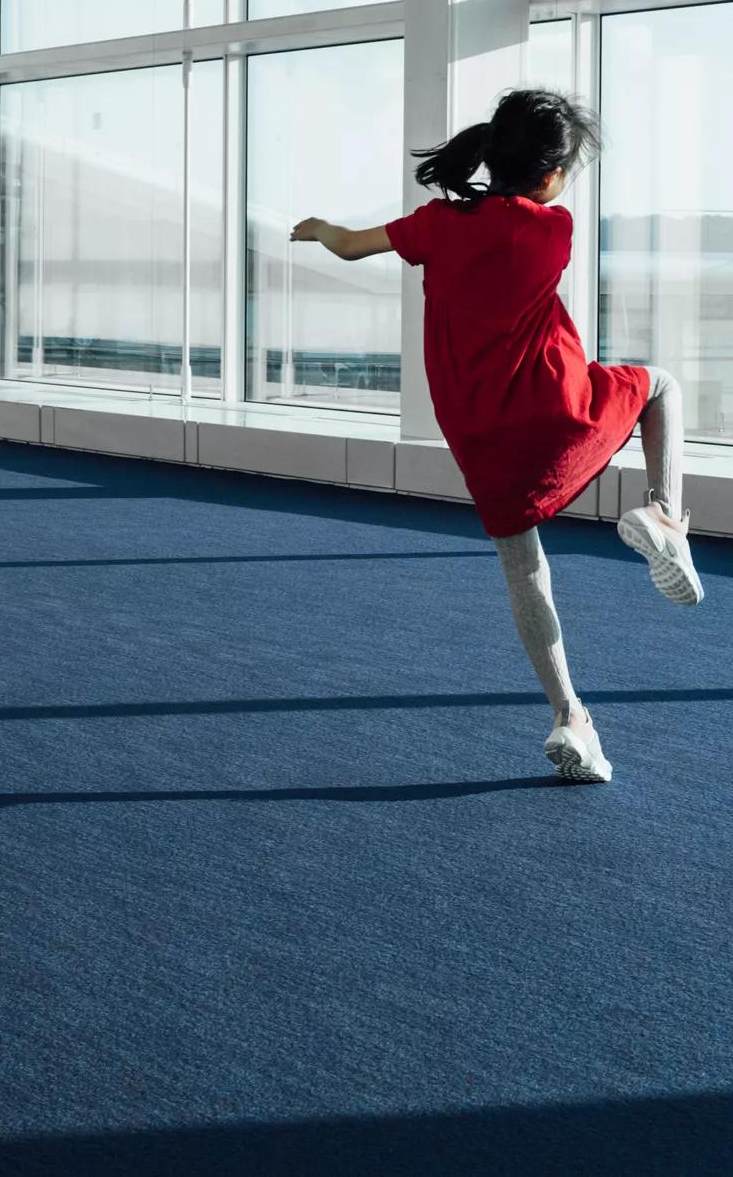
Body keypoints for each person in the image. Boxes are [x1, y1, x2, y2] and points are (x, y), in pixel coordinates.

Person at [289, 88, 700, 786]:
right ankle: (663, 513)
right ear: (549, 177)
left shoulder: (436, 226)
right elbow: (520, 222)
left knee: (524, 567)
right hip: (553, 407)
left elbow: (356, 246)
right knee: (660, 387)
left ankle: (570, 714)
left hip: (478, 430)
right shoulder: (552, 229)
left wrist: (322, 228)